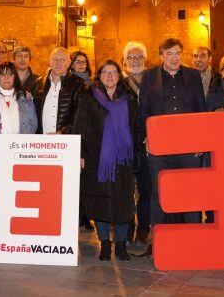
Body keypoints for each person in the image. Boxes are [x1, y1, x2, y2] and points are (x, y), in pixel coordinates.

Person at [137, 38, 207, 256]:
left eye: (177, 53)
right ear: (161, 56)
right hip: (160, 146)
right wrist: (147, 136)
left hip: (188, 146)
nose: (174, 58)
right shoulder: (149, 77)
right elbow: (144, 109)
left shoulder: (193, 76)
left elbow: (200, 109)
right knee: (159, 193)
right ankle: (158, 241)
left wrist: (201, 140)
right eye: (169, 54)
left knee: (191, 192)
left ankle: (195, 240)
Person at [73, 60, 140, 261]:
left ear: (119, 76)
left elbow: (137, 127)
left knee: (123, 202)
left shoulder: (129, 99)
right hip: (96, 159)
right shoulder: (89, 98)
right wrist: (80, 154)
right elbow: (79, 127)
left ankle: (120, 245)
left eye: (113, 73)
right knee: (99, 202)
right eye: (105, 73)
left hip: (122, 161)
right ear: (99, 76)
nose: (109, 76)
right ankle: (104, 244)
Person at [0, 62, 38, 198]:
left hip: (18, 152)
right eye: (3, 74)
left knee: (14, 191)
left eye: (10, 74)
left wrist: (19, 142)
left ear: (15, 77)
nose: (6, 78)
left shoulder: (25, 98)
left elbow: (33, 123)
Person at [121, 40, 151, 246]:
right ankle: (129, 225)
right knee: (126, 188)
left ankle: (143, 228)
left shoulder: (154, 80)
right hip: (126, 143)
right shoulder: (119, 83)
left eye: (139, 56)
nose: (135, 60)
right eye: (131, 57)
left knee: (146, 189)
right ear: (124, 62)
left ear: (145, 59)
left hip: (148, 142)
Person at [35, 47, 84, 135]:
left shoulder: (78, 84)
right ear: (50, 61)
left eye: (63, 60)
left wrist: (63, 133)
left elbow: (81, 116)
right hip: (41, 143)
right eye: (55, 59)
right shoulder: (38, 83)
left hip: (66, 142)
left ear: (69, 63)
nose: (58, 63)